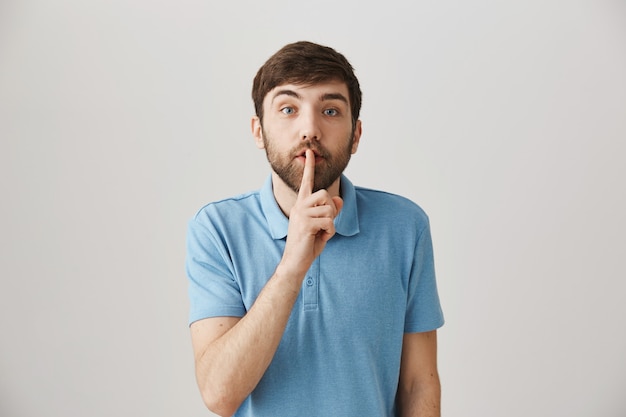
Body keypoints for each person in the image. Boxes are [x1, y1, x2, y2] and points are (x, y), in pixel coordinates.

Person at [186, 41, 444, 417]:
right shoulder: (217, 229)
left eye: (330, 110)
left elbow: (418, 383)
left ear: (356, 135)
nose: (310, 129)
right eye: (288, 109)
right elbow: (219, 395)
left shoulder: (405, 227)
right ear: (258, 131)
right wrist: (293, 264)